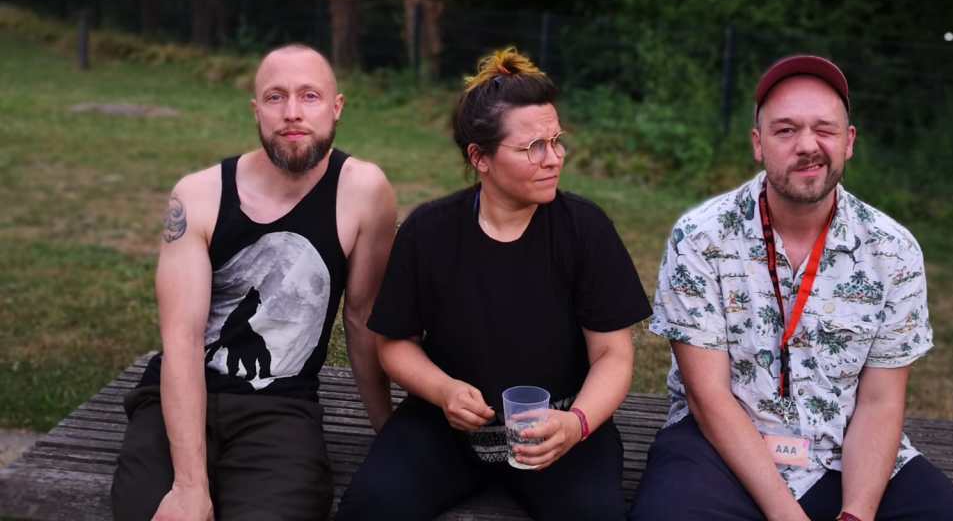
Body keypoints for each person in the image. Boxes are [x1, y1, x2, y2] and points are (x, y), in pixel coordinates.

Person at [630, 54, 953, 521]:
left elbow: (880, 401)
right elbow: (707, 397)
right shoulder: (701, 237)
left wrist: (856, 514)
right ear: (758, 144)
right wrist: (785, 513)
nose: (808, 145)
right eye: (785, 130)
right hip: (721, 448)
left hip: (846, 449)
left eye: (825, 129)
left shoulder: (893, 250)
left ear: (849, 142)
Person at [337, 48, 652, 521]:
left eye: (557, 140)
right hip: (447, 428)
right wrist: (443, 391)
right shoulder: (430, 231)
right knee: (369, 507)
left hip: (559, 429)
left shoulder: (584, 229)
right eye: (533, 147)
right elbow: (394, 344)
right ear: (479, 158)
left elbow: (613, 355)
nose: (554, 159)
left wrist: (578, 423)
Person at [111, 43, 397, 521]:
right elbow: (181, 340)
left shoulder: (364, 192)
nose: (291, 113)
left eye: (309, 96)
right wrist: (189, 485)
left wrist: (389, 430)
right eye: (275, 97)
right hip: (179, 398)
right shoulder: (199, 195)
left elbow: (362, 316)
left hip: (281, 409)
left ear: (336, 107)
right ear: (256, 110)